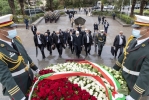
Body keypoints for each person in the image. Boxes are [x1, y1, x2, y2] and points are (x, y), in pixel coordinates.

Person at [0, 14, 39, 100]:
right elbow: (6, 78)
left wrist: (36, 69)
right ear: (1, 31)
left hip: (29, 78)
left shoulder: (16, 39)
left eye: (14, 27)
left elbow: (25, 56)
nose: (14, 30)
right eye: (10, 28)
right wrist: (20, 97)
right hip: (17, 85)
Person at [114, 15, 149, 100]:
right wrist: (112, 71)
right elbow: (124, 55)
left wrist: (134, 96)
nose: (134, 30)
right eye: (134, 27)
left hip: (134, 85)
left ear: (147, 30)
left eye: (138, 28)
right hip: (122, 80)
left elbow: (145, 75)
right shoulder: (133, 40)